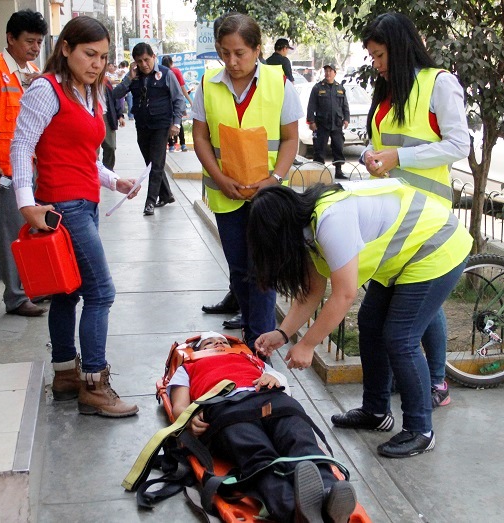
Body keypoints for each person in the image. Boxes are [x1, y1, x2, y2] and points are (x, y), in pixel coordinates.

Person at [249, 180, 471, 458]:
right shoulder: (306, 228)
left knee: (401, 338)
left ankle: (420, 431)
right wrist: (282, 334)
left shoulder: (330, 221)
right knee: (370, 323)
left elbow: (344, 295)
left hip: (436, 246)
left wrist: (308, 345)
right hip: (405, 256)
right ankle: (376, 412)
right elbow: (312, 292)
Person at [10, 15, 140, 417]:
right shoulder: (45, 89)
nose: (97, 63)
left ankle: (66, 374)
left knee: (68, 291)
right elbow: (21, 146)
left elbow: (84, 156)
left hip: (83, 203)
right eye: (89, 54)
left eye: (103, 56)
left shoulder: (88, 92)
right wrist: (26, 203)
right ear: (65, 48)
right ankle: (95, 385)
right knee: (101, 292)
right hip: (63, 207)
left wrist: (114, 181)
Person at [361, 12, 470, 407]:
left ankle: (436, 382)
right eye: (372, 57)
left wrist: (399, 157)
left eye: (380, 55)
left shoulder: (439, 83)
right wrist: (370, 155)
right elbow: (381, 143)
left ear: (400, 47)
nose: (376, 64)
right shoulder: (389, 88)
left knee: (419, 305)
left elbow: (459, 145)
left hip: (427, 218)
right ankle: (409, 384)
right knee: (407, 306)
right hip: (393, 216)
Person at [191, 13, 303, 350]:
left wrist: (275, 178)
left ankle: (259, 344)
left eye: (239, 53)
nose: (231, 61)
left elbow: (290, 138)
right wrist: (220, 178)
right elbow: (200, 137)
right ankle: (251, 333)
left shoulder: (279, 83)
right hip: (226, 195)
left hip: (267, 197)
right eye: (224, 53)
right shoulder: (208, 85)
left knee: (263, 271)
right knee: (239, 269)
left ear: (256, 50)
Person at [169, 331, 357, 522]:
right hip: (228, 408)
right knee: (258, 456)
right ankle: (292, 509)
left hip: (272, 400)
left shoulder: (250, 359)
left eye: (222, 341)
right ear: (197, 350)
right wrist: (189, 419)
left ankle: (328, 494)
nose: (218, 344)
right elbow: (179, 406)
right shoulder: (189, 367)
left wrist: (275, 379)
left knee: (300, 441)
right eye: (209, 343)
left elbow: (281, 382)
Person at [0, 9, 49, 317]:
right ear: (10, 38)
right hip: (4, 168)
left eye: (39, 42)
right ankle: (16, 297)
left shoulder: (32, 72)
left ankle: (34, 286)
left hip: (31, 165)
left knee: (33, 229)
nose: (34, 48)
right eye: (29, 41)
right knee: (11, 232)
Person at [113, 43, 185, 215]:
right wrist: (129, 78)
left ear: (154, 57)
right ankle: (166, 195)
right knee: (151, 163)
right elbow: (116, 94)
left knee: (156, 163)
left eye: (146, 60)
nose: (144, 64)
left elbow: (178, 99)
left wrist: (176, 123)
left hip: (161, 124)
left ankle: (150, 201)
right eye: (139, 61)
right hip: (142, 125)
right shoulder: (133, 76)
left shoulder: (166, 74)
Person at [307, 64, 350, 180]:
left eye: (330, 71)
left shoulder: (340, 88)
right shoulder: (317, 88)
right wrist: (311, 121)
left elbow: (345, 106)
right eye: (326, 71)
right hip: (322, 124)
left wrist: (346, 119)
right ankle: (318, 173)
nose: (328, 73)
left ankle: (339, 171)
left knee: (338, 147)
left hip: (337, 123)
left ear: (335, 73)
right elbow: (311, 106)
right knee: (319, 149)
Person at [161, 55, 192, 153]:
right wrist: (190, 101)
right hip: (176, 102)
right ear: (171, 63)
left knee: (168, 123)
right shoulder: (176, 71)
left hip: (166, 103)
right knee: (178, 122)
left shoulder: (161, 73)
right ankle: (183, 144)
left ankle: (171, 146)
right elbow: (182, 88)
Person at [101, 76, 125, 170]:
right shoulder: (83, 81)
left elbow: (114, 98)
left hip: (106, 116)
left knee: (111, 146)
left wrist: (120, 116)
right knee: (93, 149)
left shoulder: (106, 82)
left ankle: (108, 170)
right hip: (90, 115)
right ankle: (94, 172)